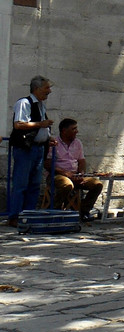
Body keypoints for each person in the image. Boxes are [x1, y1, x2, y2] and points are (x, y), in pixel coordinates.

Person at [7, 75, 54, 226]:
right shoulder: (24, 103)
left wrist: (47, 137)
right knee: (21, 183)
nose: (49, 91)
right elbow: (19, 124)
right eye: (46, 88)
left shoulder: (41, 105)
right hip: (26, 148)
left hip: (39, 149)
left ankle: (29, 214)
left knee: (34, 184)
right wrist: (41, 124)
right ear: (37, 88)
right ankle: (15, 216)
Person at [44, 118, 104, 222]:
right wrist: (64, 173)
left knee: (97, 184)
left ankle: (84, 211)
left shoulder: (78, 143)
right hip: (57, 175)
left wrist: (81, 173)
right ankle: (55, 211)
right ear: (64, 131)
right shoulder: (54, 143)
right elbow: (47, 164)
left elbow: (81, 161)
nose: (77, 131)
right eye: (74, 129)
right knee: (67, 185)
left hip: (74, 175)